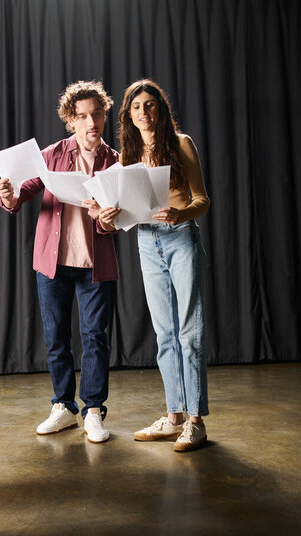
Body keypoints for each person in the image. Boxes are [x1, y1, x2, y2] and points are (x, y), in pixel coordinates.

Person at [0, 81, 120, 443]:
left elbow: (120, 220)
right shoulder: (51, 154)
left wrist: (107, 217)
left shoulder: (114, 160)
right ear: (70, 120)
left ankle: (93, 410)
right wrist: (7, 194)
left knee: (95, 337)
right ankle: (63, 406)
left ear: (104, 115)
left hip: (96, 263)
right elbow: (21, 194)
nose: (90, 122)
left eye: (96, 114)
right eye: (82, 116)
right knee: (56, 337)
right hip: (52, 264)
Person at [117, 79, 210, 451]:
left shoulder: (181, 143)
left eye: (150, 104)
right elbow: (124, 209)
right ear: (129, 114)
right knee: (165, 334)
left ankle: (196, 421)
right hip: (146, 239)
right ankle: (173, 417)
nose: (144, 112)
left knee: (190, 331)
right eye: (137, 106)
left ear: (161, 108)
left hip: (181, 236)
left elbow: (203, 199)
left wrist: (181, 211)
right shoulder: (128, 152)